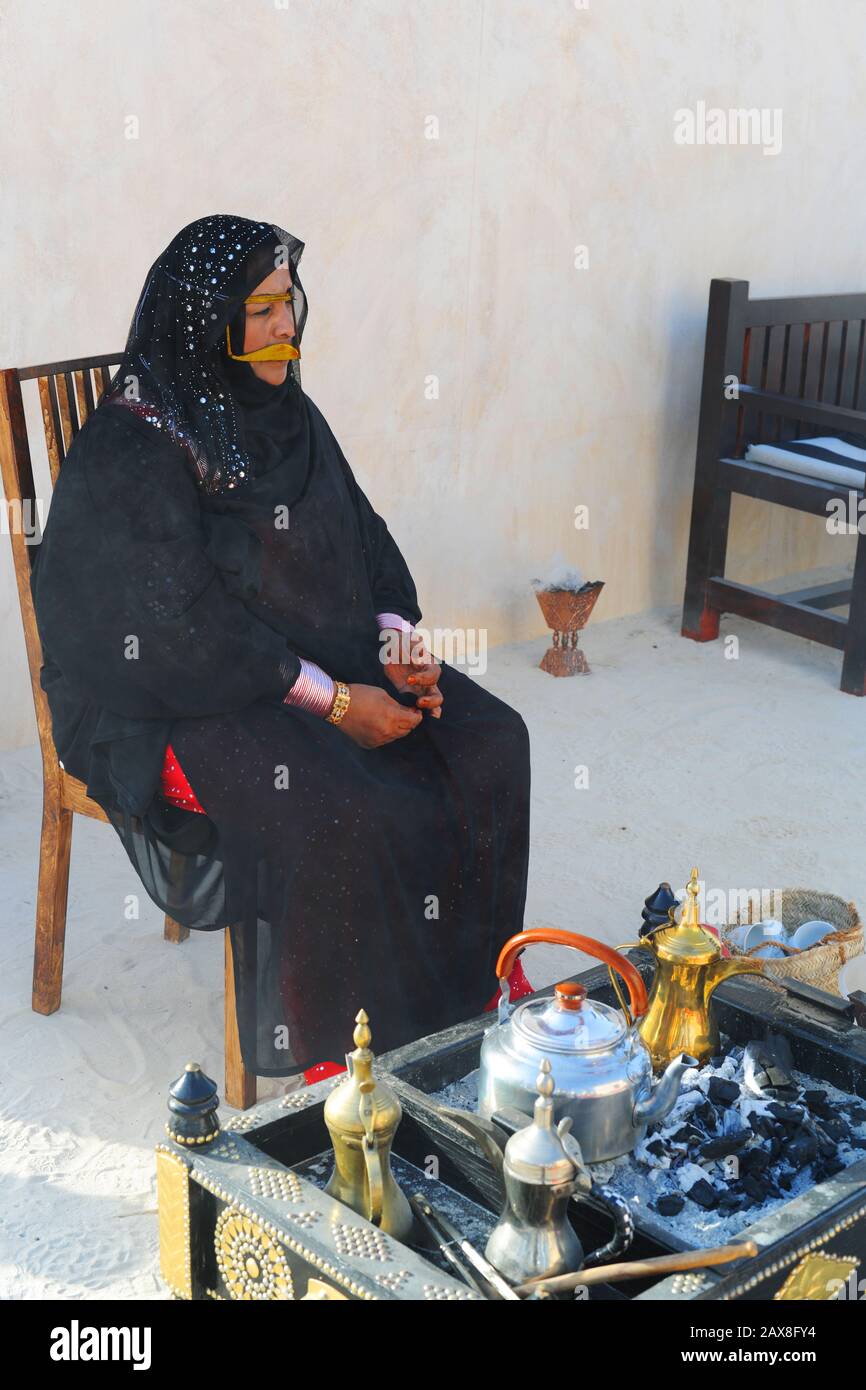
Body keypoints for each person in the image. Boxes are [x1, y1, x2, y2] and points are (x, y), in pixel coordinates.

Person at [30, 214, 533, 1083]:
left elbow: (361, 539)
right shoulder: (133, 443)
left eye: (286, 303)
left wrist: (395, 640)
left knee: (490, 740)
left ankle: (474, 983)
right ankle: (340, 1066)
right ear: (204, 322)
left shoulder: (283, 410)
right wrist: (336, 702)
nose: (285, 327)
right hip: (175, 695)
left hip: (309, 653)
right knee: (338, 806)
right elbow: (171, 628)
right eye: (258, 311)